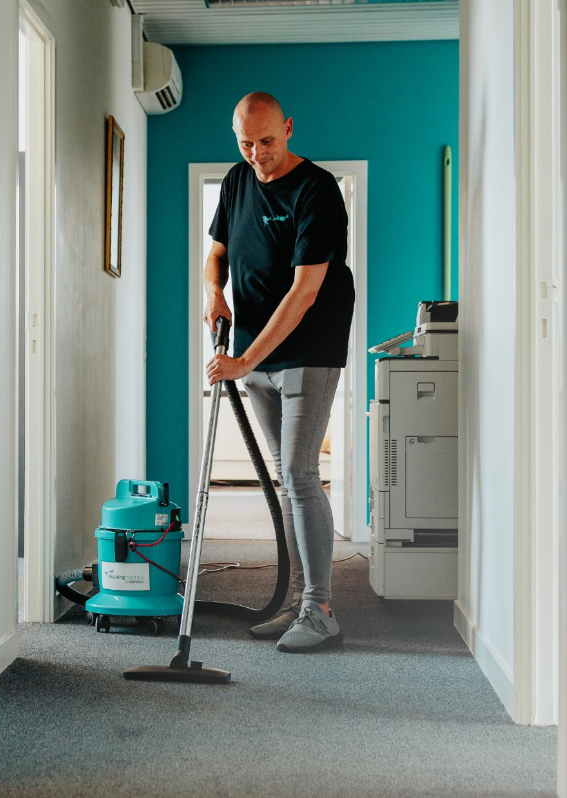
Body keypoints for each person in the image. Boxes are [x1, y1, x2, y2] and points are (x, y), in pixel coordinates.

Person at [204, 91, 354, 653]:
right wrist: (213, 291)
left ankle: (321, 611)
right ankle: (296, 602)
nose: (257, 154)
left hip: (308, 348)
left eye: (267, 141)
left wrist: (245, 360)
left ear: (288, 129)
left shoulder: (317, 190)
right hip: (253, 354)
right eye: (246, 143)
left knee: (298, 472)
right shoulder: (237, 179)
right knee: (285, 479)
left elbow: (306, 290)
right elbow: (215, 253)